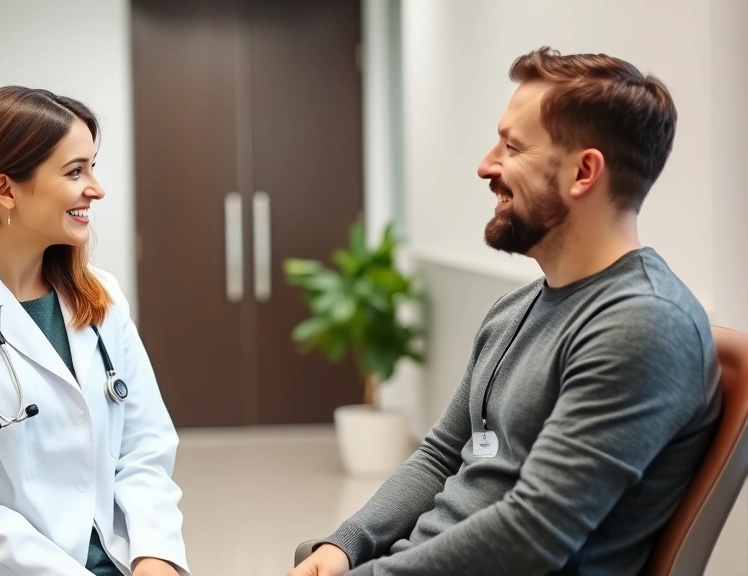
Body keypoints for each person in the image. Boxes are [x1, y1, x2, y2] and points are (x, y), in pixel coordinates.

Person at [290, 47, 721, 576]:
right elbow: (441, 456)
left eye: (512, 147)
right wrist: (344, 546)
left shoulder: (642, 324)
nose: (485, 165)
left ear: (584, 171)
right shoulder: (516, 308)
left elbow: (533, 535)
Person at [0, 86, 189, 576]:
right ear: (6, 190)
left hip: (117, 560)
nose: (97, 188)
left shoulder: (100, 296)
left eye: (92, 166)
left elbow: (145, 447)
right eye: (75, 171)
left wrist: (155, 555)